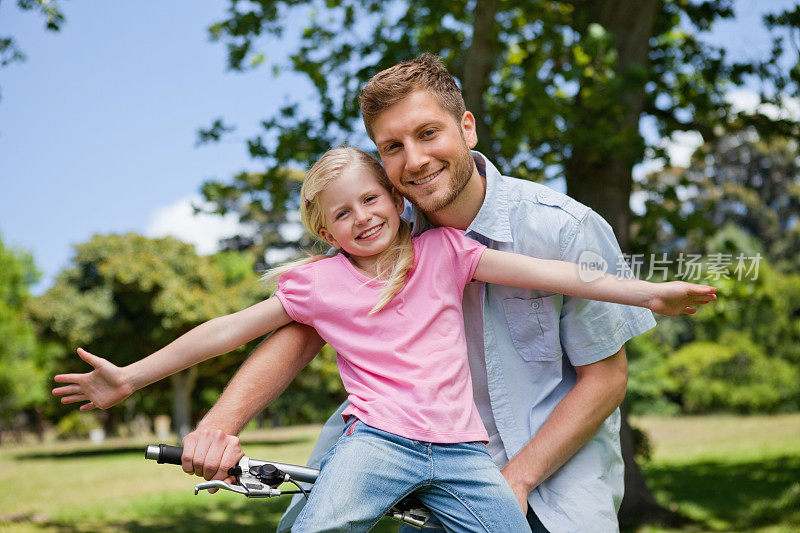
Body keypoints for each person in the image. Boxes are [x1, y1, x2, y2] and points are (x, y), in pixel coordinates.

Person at [54, 144, 715, 532]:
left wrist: (646, 291)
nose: (362, 216)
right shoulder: (316, 283)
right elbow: (225, 331)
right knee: (316, 527)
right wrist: (133, 376)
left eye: (371, 199)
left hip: (463, 452)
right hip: (378, 443)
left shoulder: (447, 251)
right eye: (342, 213)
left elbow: (551, 272)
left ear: (395, 199)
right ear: (325, 231)